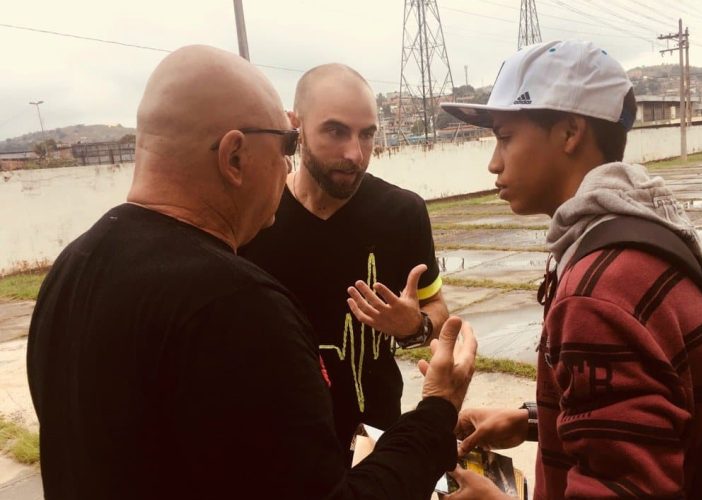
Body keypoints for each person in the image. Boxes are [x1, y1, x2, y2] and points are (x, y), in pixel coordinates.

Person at [27, 45, 476, 500]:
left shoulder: (71, 269)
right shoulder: (235, 305)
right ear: (234, 157)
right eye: (285, 146)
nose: (286, 164)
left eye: (367, 135)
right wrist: (437, 409)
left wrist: (415, 327)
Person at [438, 40, 702, 499]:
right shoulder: (637, 232)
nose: (493, 162)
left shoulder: (601, 289)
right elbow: (640, 418)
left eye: (505, 137)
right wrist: (534, 420)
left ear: (570, 132)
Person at [240, 63, 448, 449]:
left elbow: (438, 311)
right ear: (295, 126)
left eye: (367, 134)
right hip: (270, 446)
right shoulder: (251, 215)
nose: (355, 153)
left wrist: (413, 326)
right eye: (336, 131)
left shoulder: (402, 213)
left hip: (373, 444)